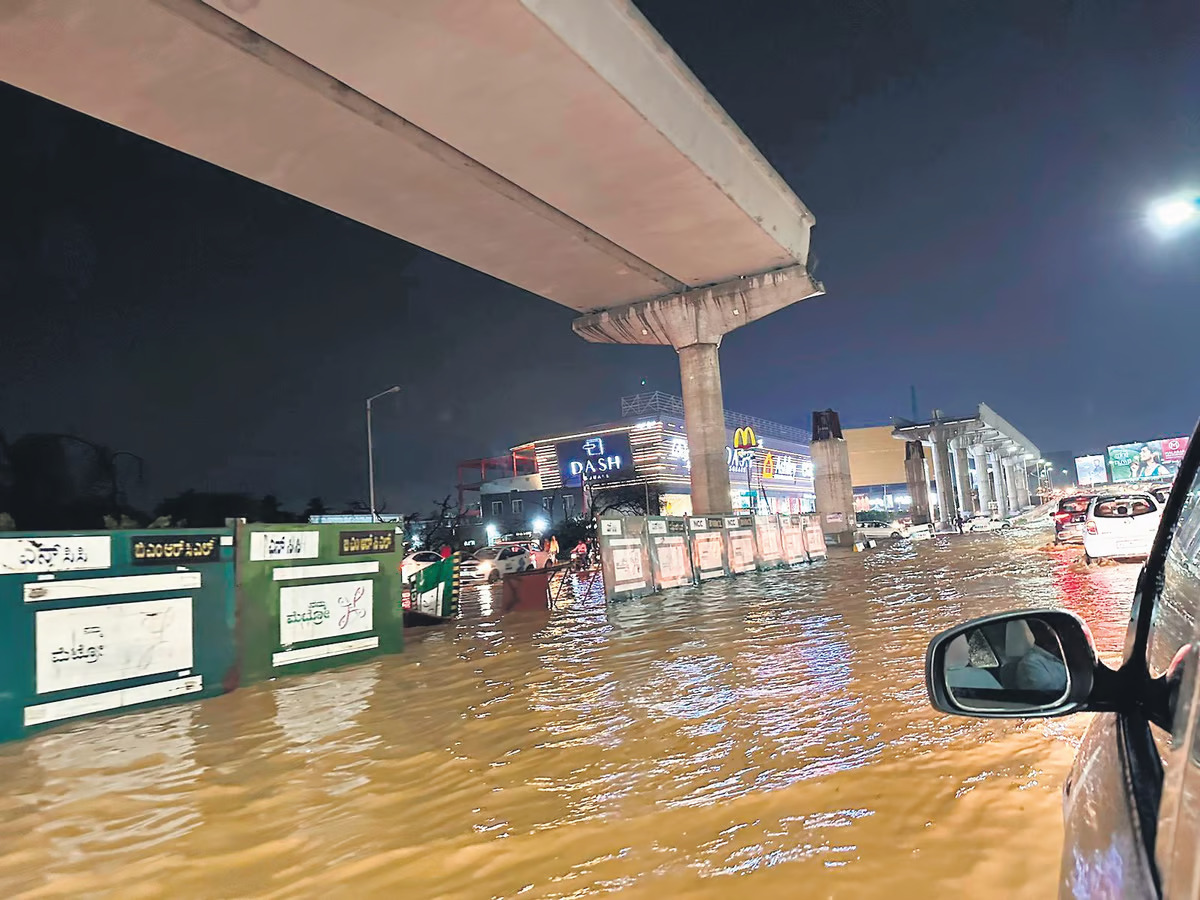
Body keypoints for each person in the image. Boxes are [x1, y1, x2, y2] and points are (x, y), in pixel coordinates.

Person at [1005, 620, 1068, 695]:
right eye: (1048, 628)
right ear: (1035, 633)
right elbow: (1045, 696)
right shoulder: (1030, 663)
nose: (1053, 633)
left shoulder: (1064, 653)